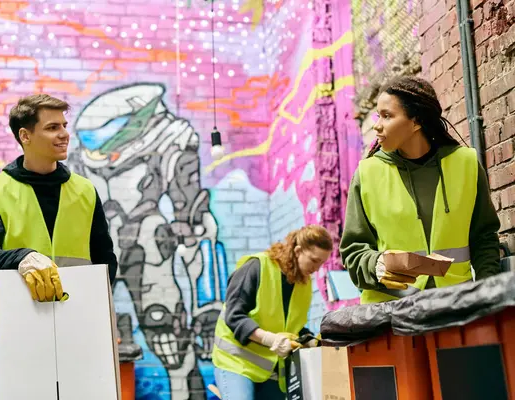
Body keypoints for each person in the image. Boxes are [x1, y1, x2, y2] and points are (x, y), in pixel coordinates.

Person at [0, 94, 118, 399]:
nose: (64, 133)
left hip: (78, 334)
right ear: (25, 135)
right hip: (15, 334)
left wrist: (94, 315)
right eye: (52, 127)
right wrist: (23, 257)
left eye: (64, 125)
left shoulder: (85, 191)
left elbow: (106, 262)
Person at [340, 76, 501, 304]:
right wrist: (377, 264)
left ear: (416, 122)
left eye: (387, 116)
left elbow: (484, 238)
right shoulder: (367, 173)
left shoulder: (466, 164)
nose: (377, 125)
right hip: (392, 313)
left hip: (456, 306)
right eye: (378, 116)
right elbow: (353, 251)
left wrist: (488, 295)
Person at [212, 225, 333, 399]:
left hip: (270, 370)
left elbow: (292, 326)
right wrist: (270, 339)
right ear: (298, 251)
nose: (317, 268)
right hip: (236, 363)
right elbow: (234, 317)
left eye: (321, 263)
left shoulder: (303, 284)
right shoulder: (256, 267)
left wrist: (311, 342)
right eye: (314, 260)